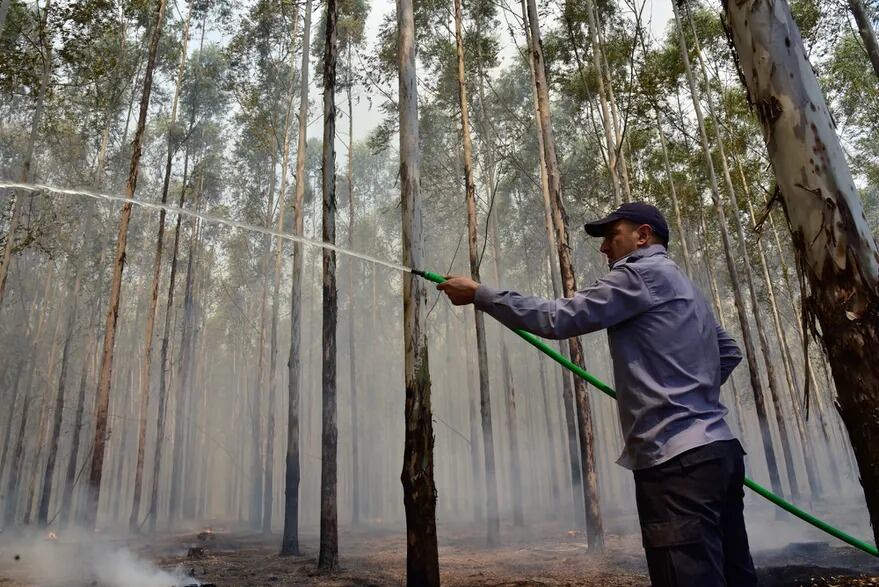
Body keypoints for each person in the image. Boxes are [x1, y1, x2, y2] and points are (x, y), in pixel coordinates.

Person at [437, 202, 759, 587]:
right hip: (717, 454)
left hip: (677, 466)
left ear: (643, 235)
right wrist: (683, 390)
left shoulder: (638, 275)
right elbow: (728, 352)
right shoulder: (682, 283)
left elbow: (558, 318)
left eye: (612, 236)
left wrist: (480, 295)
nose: (604, 248)